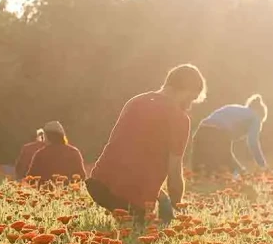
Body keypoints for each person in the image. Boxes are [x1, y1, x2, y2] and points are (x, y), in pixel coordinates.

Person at [86, 64, 207, 225]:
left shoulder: (136, 101)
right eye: (191, 98)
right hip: (131, 199)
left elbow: (131, 154)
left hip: (98, 185)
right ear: (185, 89)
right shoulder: (179, 118)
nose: (190, 105)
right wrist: (178, 207)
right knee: (150, 235)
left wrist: (162, 197)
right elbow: (174, 171)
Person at [192, 94, 267, 175]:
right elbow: (253, 143)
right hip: (217, 133)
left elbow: (227, 154)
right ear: (260, 114)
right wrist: (262, 165)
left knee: (200, 168)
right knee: (224, 169)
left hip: (201, 131)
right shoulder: (255, 117)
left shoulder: (236, 109)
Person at [26, 121, 86, 186]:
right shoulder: (74, 152)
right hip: (69, 192)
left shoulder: (40, 154)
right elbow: (82, 176)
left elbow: (30, 178)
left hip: (45, 193)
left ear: (47, 136)